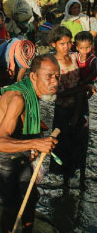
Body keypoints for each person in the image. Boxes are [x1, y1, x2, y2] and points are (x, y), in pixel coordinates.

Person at [0, 54, 59, 233]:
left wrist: (35, 139)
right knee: (11, 206)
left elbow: (27, 120)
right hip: (3, 155)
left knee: (30, 197)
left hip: (17, 148)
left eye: (58, 76)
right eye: (49, 76)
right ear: (33, 76)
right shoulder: (18, 98)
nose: (55, 81)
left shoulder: (33, 91)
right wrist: (36, 143)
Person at [49, 26, 89, 188]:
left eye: (69, 43)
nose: (67, 47)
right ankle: (65, 181)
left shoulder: (75, 58)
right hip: (63, 111)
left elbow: (85, 76)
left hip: (81, 107)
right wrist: (80, 89)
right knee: (64, 145)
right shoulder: (52, 65)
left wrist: (87, 87)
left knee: (81, 142)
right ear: (54, 45)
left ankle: (81, 180)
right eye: (62, 44)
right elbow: (56, 94)